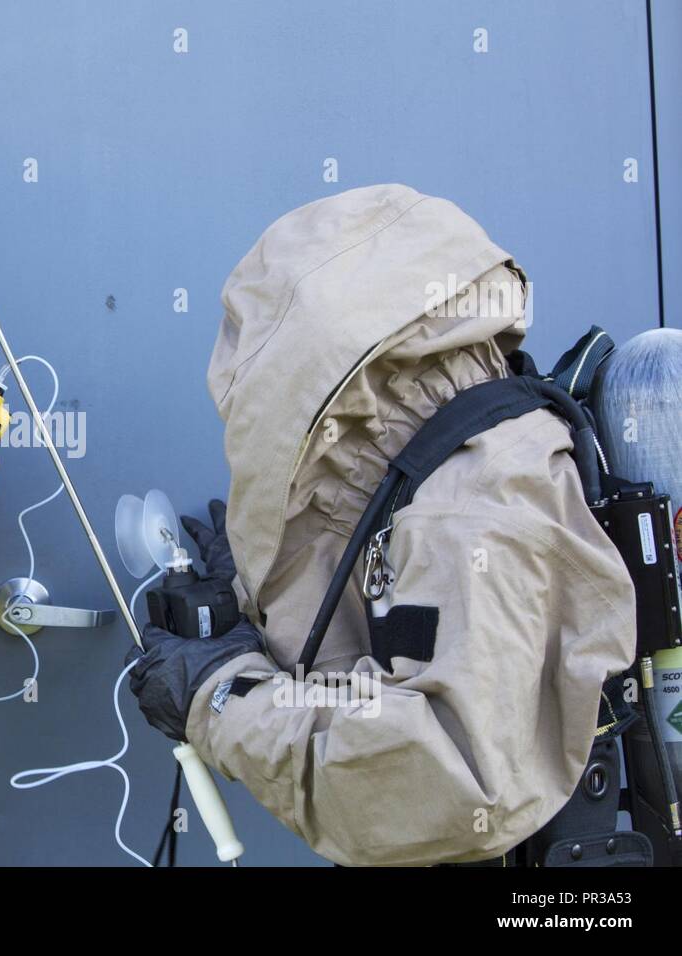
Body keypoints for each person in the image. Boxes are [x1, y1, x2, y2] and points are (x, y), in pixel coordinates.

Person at [126, 184, 635, 866]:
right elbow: (382, 656)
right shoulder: (441, 457)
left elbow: (442, 783)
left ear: (323, 380)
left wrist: (223, 697)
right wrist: (253, 622)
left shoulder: (472, 504)